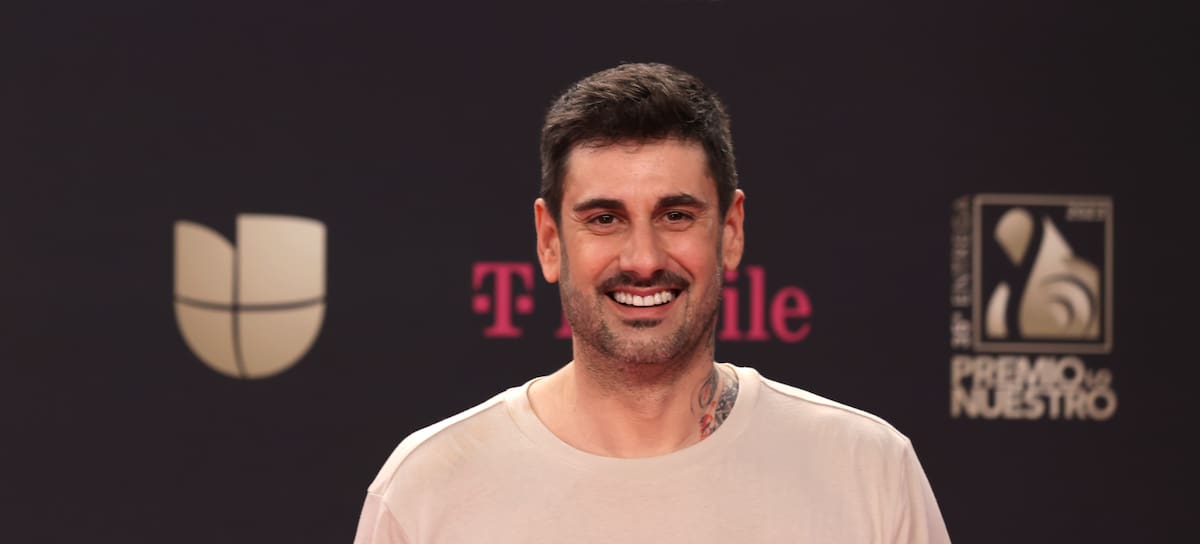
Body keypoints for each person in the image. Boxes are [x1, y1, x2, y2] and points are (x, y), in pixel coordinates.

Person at [353, 62, 951, 543]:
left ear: (732, 230)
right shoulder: (430, 489)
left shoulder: (867, 472)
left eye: (676, 215)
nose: (643, 258)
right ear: (549, 241)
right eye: (605, 218)